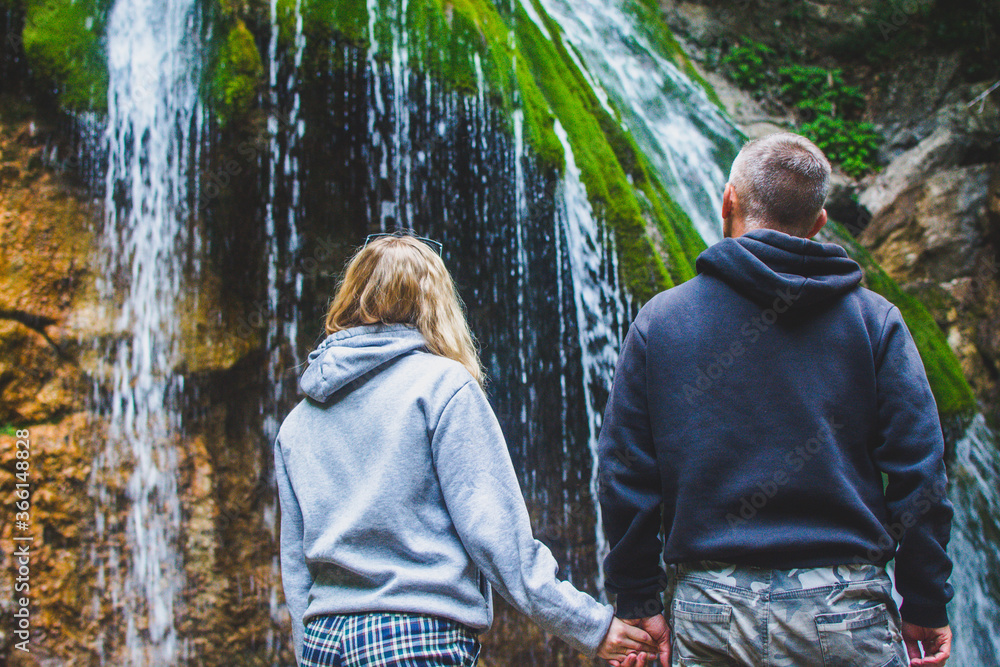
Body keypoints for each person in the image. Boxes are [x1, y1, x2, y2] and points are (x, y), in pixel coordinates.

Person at [597, 133, 954, 667]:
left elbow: (624, 472)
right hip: (845, 611)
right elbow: (920, 472)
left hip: (711, 613)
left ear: (728, 202)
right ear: (818, 223)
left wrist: (637, 600)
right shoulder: (874, 321)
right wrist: (925, 600)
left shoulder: (663, 321)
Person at [274, 232, 657, 666]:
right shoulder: (443, 388)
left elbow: (296, 570)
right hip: (410, 638)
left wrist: (308, 651)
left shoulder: (297, 421)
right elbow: (499, 543)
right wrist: (592, 626)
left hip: (324, 644)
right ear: (436, 304)